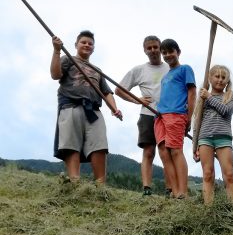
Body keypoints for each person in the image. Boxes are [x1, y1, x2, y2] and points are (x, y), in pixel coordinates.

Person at [50, 30, 122, 183]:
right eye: (83, 42)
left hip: (93, 110)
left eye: (90, 44)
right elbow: (55, 75)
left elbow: (107, 92)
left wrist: (114, 109)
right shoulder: (68, 59)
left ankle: (100, 186)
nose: (87, 45)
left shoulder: (97, 70)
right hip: (71, 106)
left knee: (99, 145)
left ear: (93, 49)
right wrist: (56, 51)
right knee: (71, 144)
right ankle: (75, 181)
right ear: (76, 45)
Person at [116, 36, 170, 197]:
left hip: (167, 115)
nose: (153, 50)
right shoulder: (138, 70)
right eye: (149, 48)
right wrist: (136, 100)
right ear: (144, 50)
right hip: (147, 114)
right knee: (148, 151)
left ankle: (170, 188)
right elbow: (119, 90)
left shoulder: (169, 68)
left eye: (155, 47)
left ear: (160, 48)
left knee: (166, 152)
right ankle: (147, 188)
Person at [154, 38, 196, 199]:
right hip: (160, 116)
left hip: (176, 114)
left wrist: (189, 117)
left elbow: (192, 93)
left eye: (170, 51)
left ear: (178, 52)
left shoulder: (185, 69)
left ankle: (183, 192)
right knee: (164, 152)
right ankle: (174, 190)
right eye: (164, 53)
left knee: (176, 151)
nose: (167, 55)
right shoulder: (165, 76)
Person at [195, 65, 233, 205]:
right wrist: (195, 145)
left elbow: (226, 111)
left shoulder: (231, 96)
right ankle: (209, 208)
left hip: (223, 138)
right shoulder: (202, 97)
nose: (220, 80)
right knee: (207, 174)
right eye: (217, 76)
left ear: (227, 81)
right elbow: (197, 122)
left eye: (223, 77)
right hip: (205, 138)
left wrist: (209, 97)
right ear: (210, 78)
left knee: (229, 175)